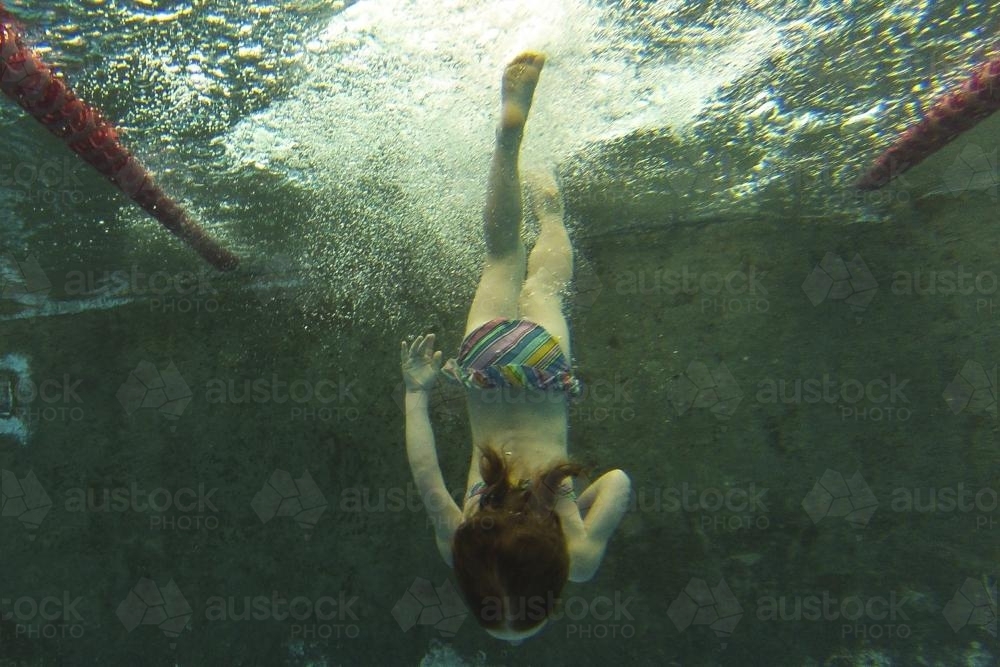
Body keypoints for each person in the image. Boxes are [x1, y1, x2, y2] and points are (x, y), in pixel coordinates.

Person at [401, 52, 631, 641]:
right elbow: (427, 477)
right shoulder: (458, 536)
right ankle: (507, 144)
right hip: (482, 366)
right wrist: (415, 391)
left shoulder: (574, 554)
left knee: (545, 281)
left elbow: (621, 481)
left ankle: (550, 204)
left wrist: (573, 519)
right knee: (500, 255)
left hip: (543, 368)